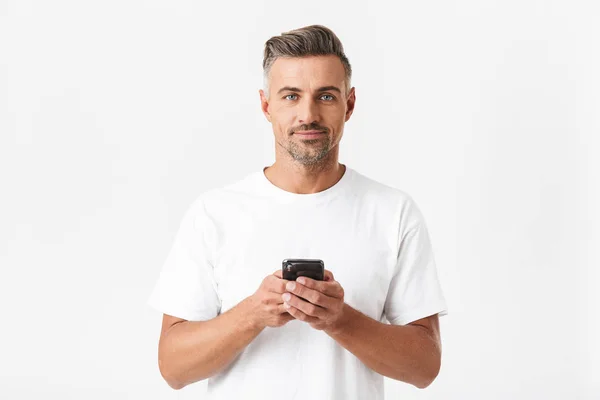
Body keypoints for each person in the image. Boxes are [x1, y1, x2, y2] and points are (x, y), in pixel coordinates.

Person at [147, 24, 448, 399]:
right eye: (291, 96)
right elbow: (173, 369)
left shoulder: (393, 212)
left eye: (325, 96)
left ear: (349, 104)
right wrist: (253, 313)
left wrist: (340, 321)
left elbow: (424, 367)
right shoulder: (214, 214)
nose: (308, 114)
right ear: (265, 105)